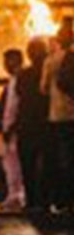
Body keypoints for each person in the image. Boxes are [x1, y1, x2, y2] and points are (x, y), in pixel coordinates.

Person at [40, 19, 74, 212]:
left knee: (63, 158)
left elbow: (43, 89)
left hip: (58, 115)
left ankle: (65, 199)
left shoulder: (51, 61)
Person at [17, 37, 50, 209]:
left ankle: (31, 201)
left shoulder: (23, 75)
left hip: (26, 125)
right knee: (47, 164)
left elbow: (19, 96)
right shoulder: (48, 72)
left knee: (27, 166)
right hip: (45, 124)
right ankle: (45, 200)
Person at [0, 48, 26, 210]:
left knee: (15, 164)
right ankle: (13, 195)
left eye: (9, 60)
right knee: (9, 164)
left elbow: (20, 106)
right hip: (7, 127)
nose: (6, 65)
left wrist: (12, 127)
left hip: (14, 128)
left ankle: (17, 196)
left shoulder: (20, 79)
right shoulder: (12, 80)